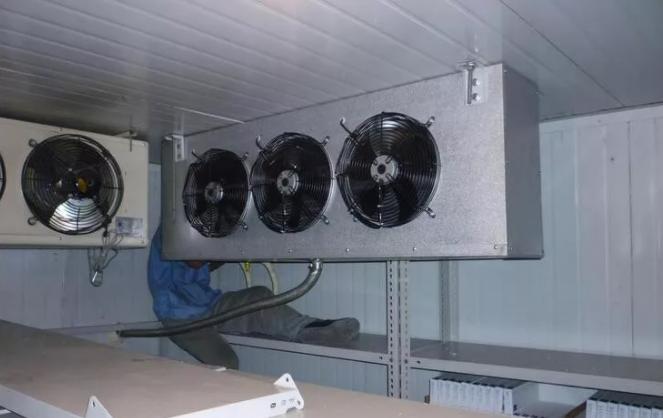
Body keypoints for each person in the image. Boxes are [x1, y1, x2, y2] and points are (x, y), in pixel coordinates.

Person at [147, 227, 360, 369]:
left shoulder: (202, 224)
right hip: (179, 315)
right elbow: (194, 261)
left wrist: (246, 246)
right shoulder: (174, 225)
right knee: (226, 362)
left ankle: (310, 329)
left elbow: (203, 266)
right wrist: (235, 243)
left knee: (259, 296)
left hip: (208, 303)